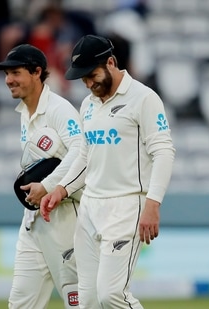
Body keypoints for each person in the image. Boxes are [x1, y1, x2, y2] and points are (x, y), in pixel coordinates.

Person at [40, 35, 175, 309]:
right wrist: (61, 188)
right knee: (87, 301)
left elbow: (163, 152)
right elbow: (85, 156)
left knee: (111, 295)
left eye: (92, 75)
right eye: (83, 79)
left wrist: (153, 203)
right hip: (90, 208)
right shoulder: (89, 105)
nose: (89, 84)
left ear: (111, 62)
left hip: (126, 207)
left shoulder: (144, 98)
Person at [0, 44, 83, 309]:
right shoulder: (24, 113)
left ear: (37, 72)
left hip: (66, 221)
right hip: (34, 223)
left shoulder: (60, 110)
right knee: (20, 304)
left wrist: (48, 185)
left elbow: (81, 154)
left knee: (78, 303)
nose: (8, 80)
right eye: (7, 74)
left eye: (16, 73)